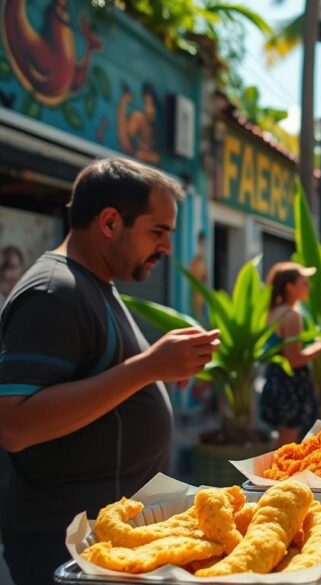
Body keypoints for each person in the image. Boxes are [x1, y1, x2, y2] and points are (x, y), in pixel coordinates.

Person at [0, 158, 219, 583]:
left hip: (103, 536)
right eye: (158, 232)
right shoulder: (53, 292)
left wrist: (157, 372)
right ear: (110, 222)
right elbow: (14, 423)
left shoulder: (93, 283)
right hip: (62, 543)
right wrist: (147, 368)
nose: (168, 248)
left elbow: (99, 382)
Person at [260, 262, 321, 446]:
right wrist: (320, 346)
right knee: (288, 445)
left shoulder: (272, 311)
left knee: (283, 440)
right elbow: (294, 359)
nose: (309, 286)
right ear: (290, 287)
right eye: (304, 283)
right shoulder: (291, 315)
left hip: (275, 378)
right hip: (291, 384)